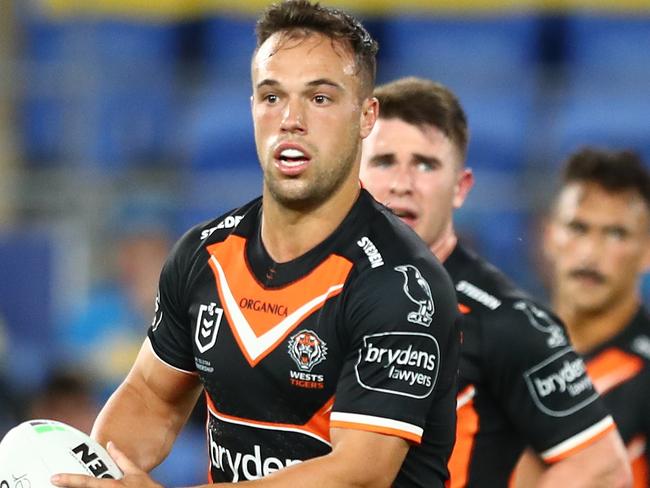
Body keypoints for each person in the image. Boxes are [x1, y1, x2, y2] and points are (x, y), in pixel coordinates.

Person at [52, 2, 460, 487]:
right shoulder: (202, 256)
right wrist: (99, 474)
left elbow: (357, 476)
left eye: (320, 99)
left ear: (366, 116)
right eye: (271, 97)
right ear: (252, 108)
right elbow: (150, 396)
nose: (291, 119)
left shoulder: (400, 285)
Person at [359, 77, 631, 487]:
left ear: (460, 187)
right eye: (383, 161)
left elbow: (603, 468)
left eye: (426, 164)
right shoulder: (322, 286)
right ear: (354, 175)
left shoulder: (505, 319)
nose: (402, 183)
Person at [514, 148, 650, 486]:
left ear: (647, 251)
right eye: (577, 227)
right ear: (548, 236)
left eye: (616, 234)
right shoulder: (501, 349)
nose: (590, 253)